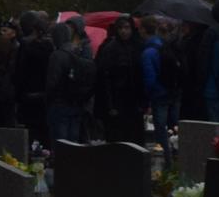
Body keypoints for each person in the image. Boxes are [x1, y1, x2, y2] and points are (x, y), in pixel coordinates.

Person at [91, 15, 149, 143]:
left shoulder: (138, 47)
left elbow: (142, 76)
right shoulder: (110, 49)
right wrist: (110, 105)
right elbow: (104, 78)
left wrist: (144, 102)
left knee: (134, 136)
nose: (124, 31)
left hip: (134, 100)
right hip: (117, 100)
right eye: (121, 28)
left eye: (127, 28)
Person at [11, 13, 55, 143]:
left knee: (29, 130)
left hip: (28, 93)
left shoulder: (26, 45)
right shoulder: (50, 47)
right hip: (44, 93)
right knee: (42, 129)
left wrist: (18, 93)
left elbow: (20, 70)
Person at [48, 18, 92, 144]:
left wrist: (49, 98)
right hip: (76, 102)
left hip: (60, 102)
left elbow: (53, 82)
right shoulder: (78, 51)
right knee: (73, 139)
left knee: (61, 140)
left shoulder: (57, 55)